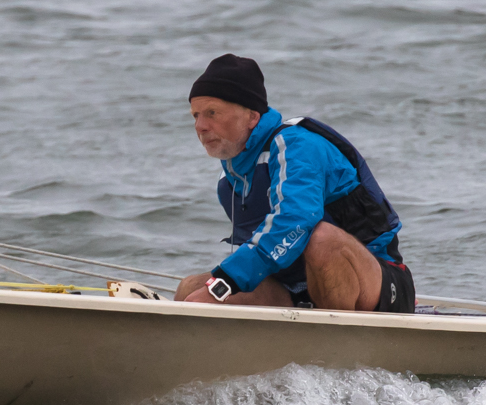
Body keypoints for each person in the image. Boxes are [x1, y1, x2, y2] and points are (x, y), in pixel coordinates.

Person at [175, 54, 415, 313]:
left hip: (379, 283)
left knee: (321, 240)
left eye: (212, 113)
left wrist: (224, 283)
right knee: (190, 288)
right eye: (196, 115)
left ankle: (338, 336)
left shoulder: (296, 145)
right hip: (296, 289)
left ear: (252, 117)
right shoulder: (229, 182)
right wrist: (215, 288)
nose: (200, 126)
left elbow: (296, 220)